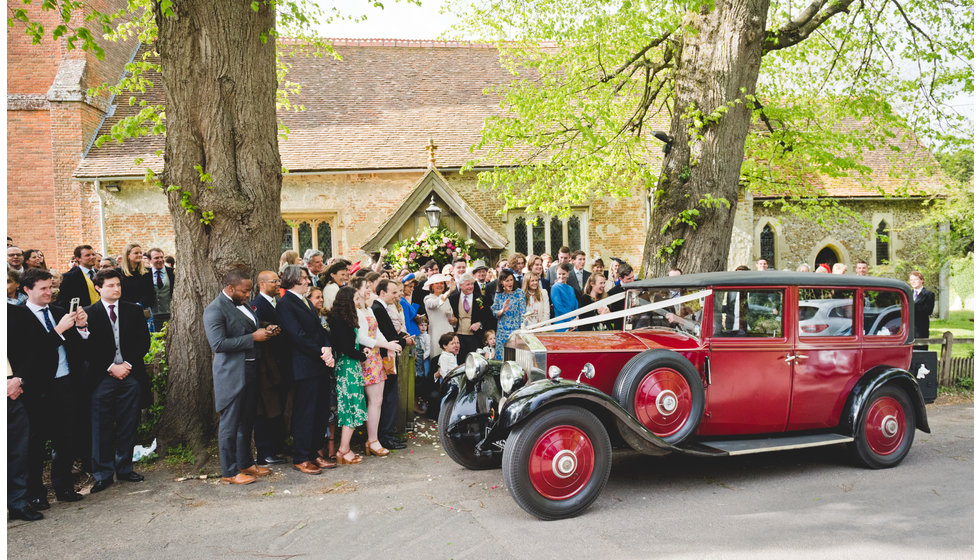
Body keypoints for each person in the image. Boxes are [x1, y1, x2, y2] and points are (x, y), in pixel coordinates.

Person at [8, 268, 90, 507]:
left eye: (50, 287)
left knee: (66, 438)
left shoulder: (58, 311)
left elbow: (77, 348)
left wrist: (82, 328)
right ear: (27, 290)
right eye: (42, 288)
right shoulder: (17, 316)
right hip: (36, 388)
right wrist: (58, 331)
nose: (49, 292)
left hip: (66, 382)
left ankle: (63, 486)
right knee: (36, 443)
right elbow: (31, 354)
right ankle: (36, 493)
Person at [203, 268, 275, 485]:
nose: (247, 295)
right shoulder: (215, 310)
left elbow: (245, 326)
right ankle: (229, 471)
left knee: (247, 422)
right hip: (231, 374)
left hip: (251, 371)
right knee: (230, 423)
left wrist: (265, 328)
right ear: (230, 288)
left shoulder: (243, 304)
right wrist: (253, 337)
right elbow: (218, 344)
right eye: (244, 291)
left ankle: (245, 463)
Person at [84, 269, 151, 493]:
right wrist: (110, 366)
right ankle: (103, 474)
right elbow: (87, 349)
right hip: (101, 378)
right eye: (111, 285)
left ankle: (124, 468)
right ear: (98, 288)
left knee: (128, 423)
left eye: (118, 285)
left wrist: (127, 365)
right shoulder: (88, 313)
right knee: (101, 426)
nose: (116, 289)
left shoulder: (133, 310)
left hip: (130, 375)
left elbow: (143, 341)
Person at [276, 265, 336, 475]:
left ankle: (314, 453)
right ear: (294, 280)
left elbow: (320, 328)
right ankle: (301, 456)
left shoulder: (304, 302)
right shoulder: (285, 304)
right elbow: (297, 335)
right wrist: (321, 351)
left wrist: (327, 347)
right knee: (305, 412)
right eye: (304, 278)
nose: (308, 281)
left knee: (320, 411)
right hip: (303, 365)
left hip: (318, 363)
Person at [353, 277, 402, 457]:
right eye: (366, 287)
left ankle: (373, 439)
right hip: (366, 358)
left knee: (377, 401)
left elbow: (377, 331)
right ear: (356, 290)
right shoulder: (357, 311)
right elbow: (361, 337)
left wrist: (388, 344)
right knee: (373, 401)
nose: (369, 290)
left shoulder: (368, 308)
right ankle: (372, 440)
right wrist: (386, 346)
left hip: (375, 358)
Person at [250, 271, 290, 467]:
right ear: (262, 284)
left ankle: (277, 445)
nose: (277, 284)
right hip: (266, 364)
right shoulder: (257, 304)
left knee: (278, 406)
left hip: (280, 363)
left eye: (278, 280)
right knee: (265, 408)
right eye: (274, 281)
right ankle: (265, 451)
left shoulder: (277, 302)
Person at [326, 286, 368, 465]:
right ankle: (343, 450)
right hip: (348, 367)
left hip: (349, 366)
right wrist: (362, 355)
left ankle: (345, 448)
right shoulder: (341, 321)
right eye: (356, 299)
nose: (358, 302)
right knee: (351, 406)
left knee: (350, 404)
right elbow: (345, 347)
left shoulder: (339, 318)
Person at [372, 279, 411, 449]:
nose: (397, 295)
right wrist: (404, 342)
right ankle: (384, 436)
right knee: (388, 397)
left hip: (388, 354)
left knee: (391, 397)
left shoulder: (382, 308)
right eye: (394, 292)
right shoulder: (378, 309)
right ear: (382, 293)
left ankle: (388, 433)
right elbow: (387, 336)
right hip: (384, 357)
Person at [8, 358, 41, 521]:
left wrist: (17, 380)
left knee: (18, 452)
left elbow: (30, 351)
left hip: (11, 390)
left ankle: (17, 504)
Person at [449, 273, 491, 357]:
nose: (471, 286)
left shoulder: (481, 298)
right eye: (468, 284)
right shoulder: (453, 298)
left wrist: (480, 324)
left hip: (475, 337)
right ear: (460, 285)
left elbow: (489, 317)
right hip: (458, 337)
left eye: (472, 284)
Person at [490, 268, 526, 359]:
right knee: (502, 358)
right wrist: (502, 311)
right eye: (507, 281)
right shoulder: (499, 294)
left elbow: (523, 313)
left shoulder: (519, 293)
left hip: (516, 332)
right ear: (501, 282)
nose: (510, 283)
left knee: (515, 358)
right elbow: (494, 312)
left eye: (511, 280)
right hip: (502, 332)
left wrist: (522, 330)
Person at [423, 273, 456, 365]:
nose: (440, 285)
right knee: (438, 361)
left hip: (448, 332)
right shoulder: (428, 298)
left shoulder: (447, 300)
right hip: (436, 333)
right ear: (431, 286)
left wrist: (454, 320)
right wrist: (449, 292)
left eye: (442, 283)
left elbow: (451, 316)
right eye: (437, 283)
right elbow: (434, 304)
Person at [56, 244, 99, 309]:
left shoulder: (100, 273)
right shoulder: (69, 277)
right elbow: (64, 301)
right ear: (78, 258)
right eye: (87, 255)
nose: (92, 257)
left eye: (93, 254)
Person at [145, 248, 175, 332]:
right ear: (149, 260)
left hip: (171, 314)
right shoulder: (145, 274)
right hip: (153, 315)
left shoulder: (172, 273)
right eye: (156, 258)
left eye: (162, 257)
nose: (160, 260)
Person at [607, 262, 636, 330]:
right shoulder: (612, 293)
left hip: (638, 327)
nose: (632, 281)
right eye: (629, 279)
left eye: (633, 277)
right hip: (621, 329)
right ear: (621, 279)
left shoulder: (640, 286)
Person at [550, 263, 578, 332]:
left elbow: (576, 304)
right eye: (559, 274)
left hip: (574, 322)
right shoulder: (555, 288)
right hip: (562, 322)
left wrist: (577, 317)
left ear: (568, 274)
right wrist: (571, 321)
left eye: (563, 274)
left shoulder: (571, 288)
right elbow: (559, 307)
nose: (561, 276)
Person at [909, 270, 935, 344]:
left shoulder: (929, 294)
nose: (913, 282)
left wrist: (913, 307)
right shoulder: (908, 294)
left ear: (922, 280)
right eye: (911, 280)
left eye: (915, 279)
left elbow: (929, 311)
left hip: (921, 328)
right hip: (908, 329)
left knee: (921, 351)